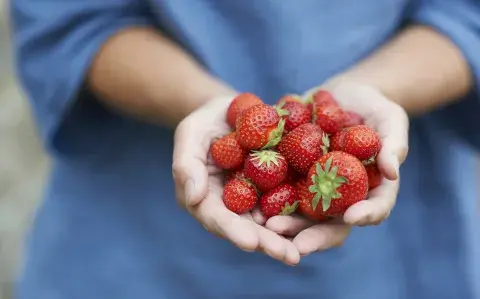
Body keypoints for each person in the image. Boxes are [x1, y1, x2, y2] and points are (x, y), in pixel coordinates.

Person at [10, 0, 480, 298]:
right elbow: (69, 21)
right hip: (134, 252)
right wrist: (202, 104)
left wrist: (374, 89)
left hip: (405, 257)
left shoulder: (313, 151)